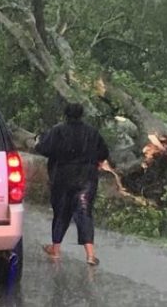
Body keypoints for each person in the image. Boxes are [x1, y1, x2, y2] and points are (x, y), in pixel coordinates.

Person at [35, 102, 109, 265]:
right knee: (84, 212)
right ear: (82, 114)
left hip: (63, 176)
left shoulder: (58, 130)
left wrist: (38, 142)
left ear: (65, 114)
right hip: (87, 177)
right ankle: (90, 255)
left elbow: (43, 149)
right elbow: (104, 152)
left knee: (61, 212)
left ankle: (55, 249)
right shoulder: (92, 132)